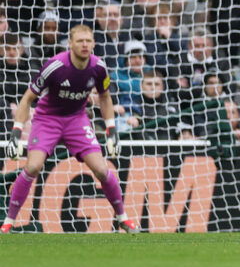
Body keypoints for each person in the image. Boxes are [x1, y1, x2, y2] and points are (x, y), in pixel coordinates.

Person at [2, 25, 140, 234]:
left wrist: (111, 130)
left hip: (77, 121)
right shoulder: (55, 65)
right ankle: (9, 221)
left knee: (102, 170)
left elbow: (104, 97)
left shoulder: (98, 67)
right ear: (70, 43)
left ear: (93, 43)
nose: (85, 45)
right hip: (48, 120)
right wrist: (16, 132)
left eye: (88, 41)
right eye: (80, 41)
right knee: (32, 167)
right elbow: (28, 98)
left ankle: (123, 218)